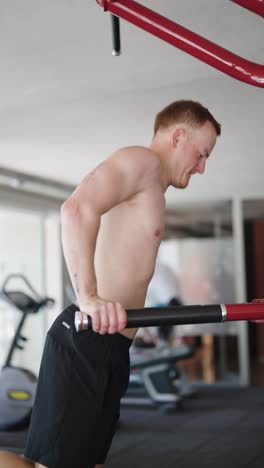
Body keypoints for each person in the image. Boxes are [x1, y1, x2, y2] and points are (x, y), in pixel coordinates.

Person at [0, 100, 221, 468]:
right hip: (85, 338)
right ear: (179, 136)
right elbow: (74, 209)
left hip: (113, 347)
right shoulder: (142, 162)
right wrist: (88, 297)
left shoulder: (154, 191)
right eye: (201, 154)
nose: (202, 167)